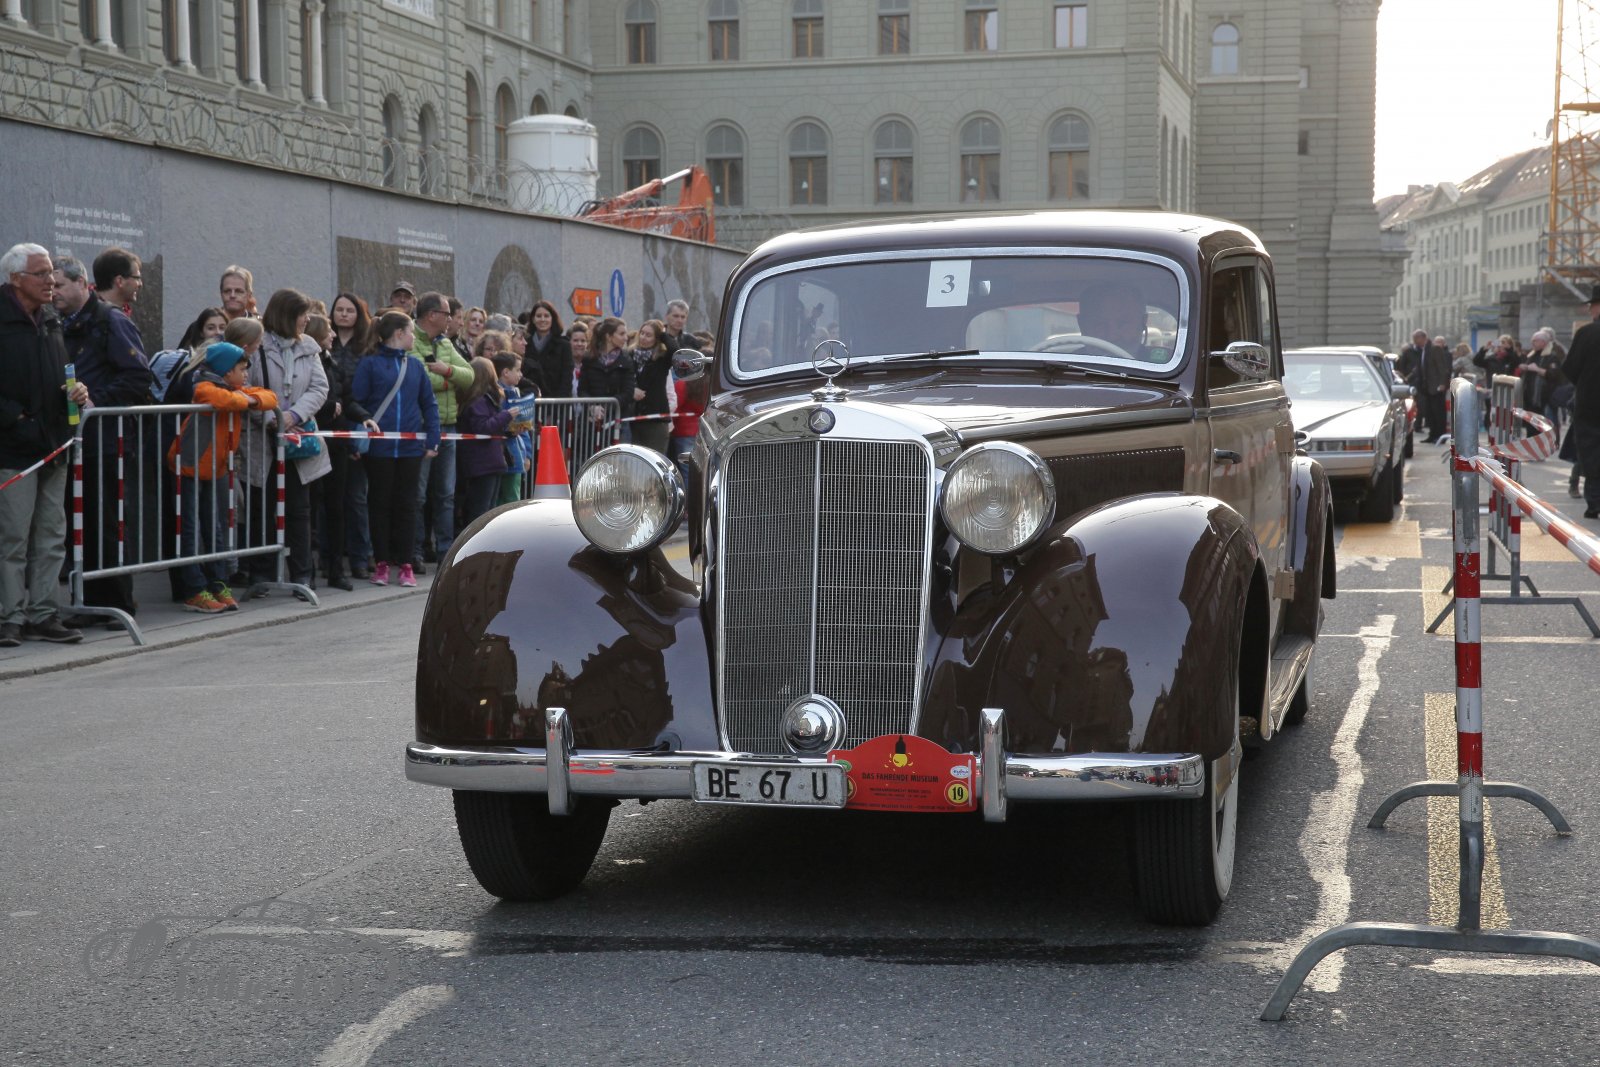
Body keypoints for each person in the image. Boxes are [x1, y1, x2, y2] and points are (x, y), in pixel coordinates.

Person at [55, 249, 155, 624]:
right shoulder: (59, 323)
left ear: (82, 283)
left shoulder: (110, 320)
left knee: (106, 521)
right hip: (75, 440)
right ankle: (87, 599)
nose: (53, 292)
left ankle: (118, 603)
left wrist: (96, 404)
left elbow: (138, 376)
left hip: (106, 440)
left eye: (60, 285)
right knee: (80, 523)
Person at [0, 243, 85, 646]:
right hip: (13, 447)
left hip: (54, 443)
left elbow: (61, 370)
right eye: (42, 273)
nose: (51, 280)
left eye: (51, 272)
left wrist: (76, 390)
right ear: (16, 279)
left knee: (51, 534)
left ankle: (44, 613)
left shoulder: (51, 318)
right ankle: (9, 617)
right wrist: (15, 418)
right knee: (13, 537)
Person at [166, 341, 277, 613]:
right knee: (190, 529)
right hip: (189, 466)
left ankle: (218, 583)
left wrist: (250, 399)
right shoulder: (204, 387)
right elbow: (224, 400)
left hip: (214, 468)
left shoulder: (232, 388)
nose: (246, 375)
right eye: (242, 369)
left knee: (214, 528)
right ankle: (194, 589)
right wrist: (247, 400)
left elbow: (270, 398)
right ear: (227, 372)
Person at [240, 288, 329, 593]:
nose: (307, 320)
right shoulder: (258, 346)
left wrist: (292, 417)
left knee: (299, 510)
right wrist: (270, 418)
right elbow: (246, 388)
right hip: (262, 441)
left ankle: (302, 574)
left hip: (297, 440)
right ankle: (261, 574)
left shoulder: (309, 348)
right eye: (302, 314)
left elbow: (319, 388)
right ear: (287, 315)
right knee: (262, 508)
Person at [352, 311, 439, 587]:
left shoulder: (415, 366)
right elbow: (357, 401)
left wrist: (433, 439)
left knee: (407, 505)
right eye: (411, 332)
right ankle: (381, 563)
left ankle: (405, 564)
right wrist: (358, 436)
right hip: (379, 447)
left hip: (410, 448)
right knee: (379, 504)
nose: (414, 337)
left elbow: (429, 404)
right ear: (399, 334)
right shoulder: (369, 364)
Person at [410, 291, 473, 569]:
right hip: (423, 427)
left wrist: (446, 371)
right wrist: (449, 382)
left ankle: (446, 551)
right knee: (418, 494)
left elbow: (469, 375)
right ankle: (416, 550)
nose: (450, 319)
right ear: (431, 315)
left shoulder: (446, 343)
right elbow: (418, 377)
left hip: (448, 426)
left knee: (445, 494)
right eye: (447, 313)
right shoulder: (411, 338)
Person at [306, 313, 364, 590]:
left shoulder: (333, 363)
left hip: (337, 444)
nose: (332, 334)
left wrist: (364, 417)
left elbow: (347, 399)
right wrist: (329, 407)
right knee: (311, 506)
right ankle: (308, 569)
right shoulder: (308, 362)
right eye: (328, 330)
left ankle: (335, 569)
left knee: (335, 506)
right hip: (312, 442)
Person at [330, 292, 374, 578]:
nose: (344, 314)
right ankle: (331, 557)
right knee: (331, 499)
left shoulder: (366, 348)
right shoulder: (326, 345)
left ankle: (361, 555)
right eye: (339, 309)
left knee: (357, 496)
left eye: (349, 310)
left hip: (357, 420)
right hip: (331, 423)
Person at [455, 357, 523, 529]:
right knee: (481, 511)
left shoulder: (484, 399)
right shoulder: (478, 401)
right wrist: (506, 416)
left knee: (488, 511)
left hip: (490, 461)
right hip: (482, 463)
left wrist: (509, 431)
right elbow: (483, 428)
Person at [1560, 286, 1600, 519]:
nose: (1589, 310)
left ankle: (1594, 502)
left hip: (1590, 404)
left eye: (1592, 305)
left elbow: (1570, 368)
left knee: (1591, 452)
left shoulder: (1586, 333)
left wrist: (1585, 383)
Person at [491, 351, 533, 506]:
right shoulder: (496, 394)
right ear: (506, 372)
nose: (521, 374)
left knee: (511, 496)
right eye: (518, 370)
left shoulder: (516, 393)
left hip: (515, 454)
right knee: (506, 500)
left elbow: (524, 429)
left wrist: (527, 454)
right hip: (502, 454)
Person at [581, 318, 636, 435]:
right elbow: (582, 390)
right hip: (592, 422)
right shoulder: (589, 358)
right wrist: (592, 407)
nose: (626, 338)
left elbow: (628, 392)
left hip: (618, 421)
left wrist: (607, 406)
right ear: (608, 336)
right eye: (621, 334)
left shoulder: (626, 360)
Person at [1077, 282, 1156, 359]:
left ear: (1143, 322)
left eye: (1123, 323)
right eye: (1100, 324)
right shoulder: (1071, 361)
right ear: (1082, 325)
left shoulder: (1157, 365)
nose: (1112, 336)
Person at [630, 318, 674, 455]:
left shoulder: (661, 358)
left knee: (654, 458)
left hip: (656, 419)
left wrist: (663, 334)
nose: (643, 337)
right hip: (634, 417)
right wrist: (632, 389)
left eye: (648, 335)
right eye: (642, 333)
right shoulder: (630, 354)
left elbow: (674, 350)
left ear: (657, 338)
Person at [1521, 328, 1567, 438]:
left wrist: (1537, 369)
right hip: (1531, 398)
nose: (1533, 343)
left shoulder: (1552, 357)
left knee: (1548, 425)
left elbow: (1554, 374)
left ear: (1543, 342)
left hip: (1546, 397)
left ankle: (1551, 443)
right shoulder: (1531, 356)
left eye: (1535, 341)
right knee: (1531, 426)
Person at [671, 353, 710, 475]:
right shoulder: (713, 385)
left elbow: (675, 407)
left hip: (684, 431)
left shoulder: (684, 384)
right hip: (705, 431)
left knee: (687, 469)